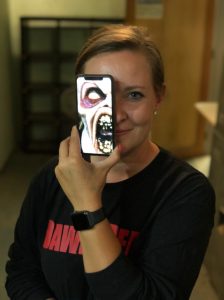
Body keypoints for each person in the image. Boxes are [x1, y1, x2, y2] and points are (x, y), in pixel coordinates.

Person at [5, 24, 215, 300]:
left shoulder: (186, 192)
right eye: (97, 94)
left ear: (158, 97)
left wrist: (87, 204)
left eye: (134, 94)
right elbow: (21, 269)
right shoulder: (53, 175)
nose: (114, 116)